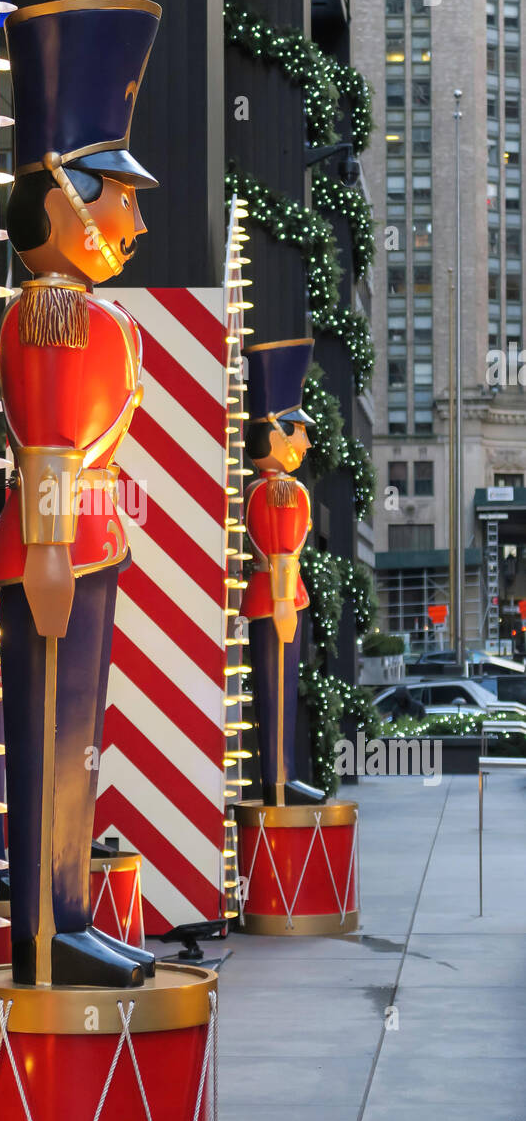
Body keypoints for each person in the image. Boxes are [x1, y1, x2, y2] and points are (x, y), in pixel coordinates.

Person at [0, 0, 161, 987]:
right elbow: (47, 446)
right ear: (59, 200)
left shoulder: (76, 313)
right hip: (58, 551)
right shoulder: (53, 312)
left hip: (86, 547)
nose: (132, 216)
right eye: (113, 191)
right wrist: (47, 550)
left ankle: (69, 915)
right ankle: (47, 934)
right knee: (51, 741)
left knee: (73, 748)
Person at [242, 340, 325, 806]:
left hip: (272, 598)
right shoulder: (284, 493)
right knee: (278, 692)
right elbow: (283, 557)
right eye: (297, 431)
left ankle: (279, 777)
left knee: (277, 694)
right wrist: (282, 606)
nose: (306, 442)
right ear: (275, 433)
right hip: (279, 601)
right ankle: (279, 780)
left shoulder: (263, 491)